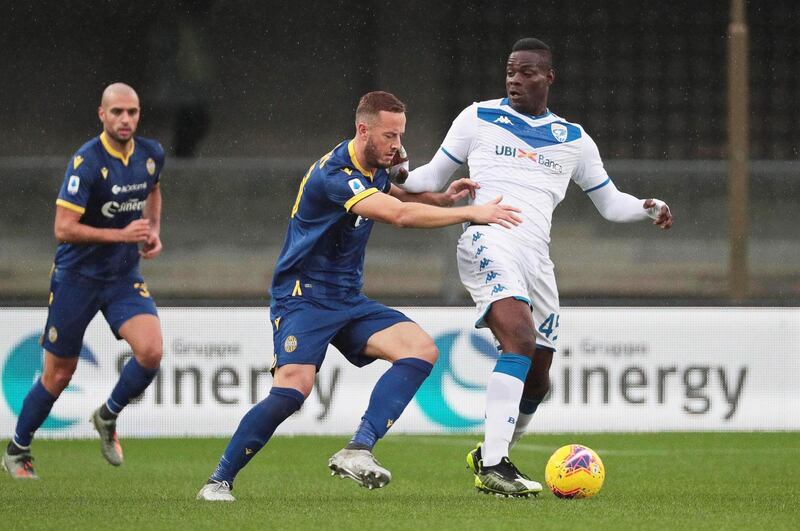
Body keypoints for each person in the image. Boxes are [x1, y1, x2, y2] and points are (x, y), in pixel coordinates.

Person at [196, 91, 522, 502]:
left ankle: (358, 448)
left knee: (420, 350)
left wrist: (443, 198)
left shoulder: (376, 166)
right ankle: (218, 480)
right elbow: (398, 215)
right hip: (304, 297)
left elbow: (399, 197)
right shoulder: (335, 174)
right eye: (389, 135)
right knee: (293, 391)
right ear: (362, 129)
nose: (397, 145)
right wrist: (471, 213)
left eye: (401, 134)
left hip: (347, 297)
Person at [401, 38, 674, 498]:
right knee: (520, 340)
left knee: (539, 375)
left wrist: (645, 207)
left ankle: (492, 450)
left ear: (549, 77)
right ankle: (493, 464)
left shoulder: (573, 139)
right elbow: (428, 178)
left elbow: (610, 204)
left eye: (527, 72)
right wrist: (395, 171)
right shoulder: (477, 118)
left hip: (536, 258)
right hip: (489, 237)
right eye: (510, 70)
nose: (515, 79)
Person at [2, 83, 166, 479]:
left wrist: (153, 230)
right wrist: (122, 235)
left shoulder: (151, 154)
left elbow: (155, 189)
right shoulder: (86, 163)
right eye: (117, 113)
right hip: (77, 279)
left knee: (151, 351)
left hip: (122, 277)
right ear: (102, 114)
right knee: (59, 375)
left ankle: (107, 416)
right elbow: (63, 227)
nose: (125, 119)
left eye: (132, 112)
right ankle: (17, 450)